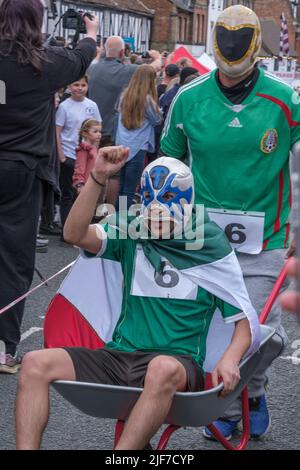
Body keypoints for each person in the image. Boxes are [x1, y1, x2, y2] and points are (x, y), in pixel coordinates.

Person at [16, 150, 260, 450]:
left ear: (187, 200)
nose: (156, 208)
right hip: (120, 356)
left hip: (177, 363)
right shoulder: (131, 229)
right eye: (149, 197)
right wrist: (98, 177)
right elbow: (74, 234)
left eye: (168, 196)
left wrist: (231, 357)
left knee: (161, 368)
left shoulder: (208, 242)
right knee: (33, 363)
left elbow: (243, 321)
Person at [161, 4, 297, 440]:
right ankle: (241, 400)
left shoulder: (287, 100)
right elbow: (168, 161)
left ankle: (249, 392)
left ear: (256, 48)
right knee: (218, 332)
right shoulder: (189, 98)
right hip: (205, 239)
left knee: (260, 332)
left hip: (268, 239)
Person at [0, 0, 99, 374]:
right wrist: (89, 32)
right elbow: (84, 54)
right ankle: (3, 347)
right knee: (13, 261)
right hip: (22, 169)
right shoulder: (43, 62)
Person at [88, 36, 162, 206]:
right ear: (122, 52)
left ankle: (95, 211)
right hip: (129, 142)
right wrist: (158, 58)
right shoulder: (129, 73)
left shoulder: (93, 69)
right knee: (121, 183)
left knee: (94, 174)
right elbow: (149, 71)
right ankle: (117, 217)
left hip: (96, 130)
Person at [56, 76, 102, 230]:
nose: (80, 88)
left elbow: (97, 130)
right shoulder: (64, 106)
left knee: (83, 195)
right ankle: (66, 231)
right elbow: (58, 132)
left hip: (87, 157)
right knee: (67, 195)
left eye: (83, 85)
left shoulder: (92, 105)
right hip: (69, 155)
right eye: (76, 84)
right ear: (69, 86)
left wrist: (95, 153)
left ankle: (80, 229)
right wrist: (61, 156)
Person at [116, 65, 162, 208]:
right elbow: (157, 120)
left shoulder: (124, 95)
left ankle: (117, 219)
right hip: (138, 146)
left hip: (122, 144)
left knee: (121, 187)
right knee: (129, 190)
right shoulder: (147, 100)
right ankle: (122, 222)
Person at [73, 119, 102, 193]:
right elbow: (79, 168)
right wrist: (80, 184)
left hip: (94, 183)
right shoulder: (84, 149)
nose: (99, 134)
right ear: (85, 133)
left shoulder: (94, 148)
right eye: (95, 132)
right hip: (86, 186)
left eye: (100, 131)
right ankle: (123, 204)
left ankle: (123, 204)